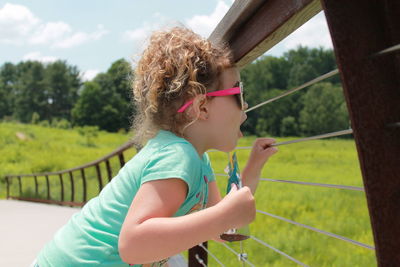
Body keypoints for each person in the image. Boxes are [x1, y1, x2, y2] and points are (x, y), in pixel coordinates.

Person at [34, 27, 278, 267]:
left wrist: (252, 170)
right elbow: (133, 245)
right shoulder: (177, 155)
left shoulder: (196, 159)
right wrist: (225, 215)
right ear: (202, 107)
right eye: (238, 93)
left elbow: (218, 225)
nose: (245, 106)